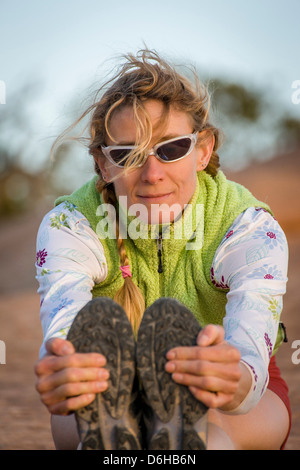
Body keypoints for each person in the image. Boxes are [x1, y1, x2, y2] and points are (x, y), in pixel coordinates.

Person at [34, 49, 291, 450]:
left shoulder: (247, 227)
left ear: (202, 150)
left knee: (201, 435)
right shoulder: (73, 224)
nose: (152, 174)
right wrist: (67, 372)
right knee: (111, 431)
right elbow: (64, 327)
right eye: (128, 155)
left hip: (228, 396)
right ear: (104, 165)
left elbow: (248, 362)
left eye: (171, 149)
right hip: (109, 387)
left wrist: (231, 375)